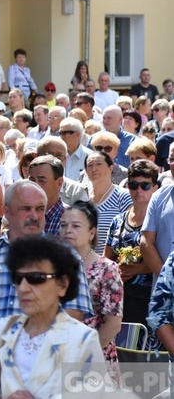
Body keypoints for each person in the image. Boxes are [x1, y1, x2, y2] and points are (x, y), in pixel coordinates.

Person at [0, 180, 92, 371]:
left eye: (40, 209)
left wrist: (30, 356)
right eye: (26, 208)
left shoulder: (66, 259)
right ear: (7, 212)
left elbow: (74, 312)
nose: (34, 216)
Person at [0, 235, 105, 397]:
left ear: (63, 284)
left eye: (35, 278)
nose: (23, 288)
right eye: (18, 278)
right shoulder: (7, 328)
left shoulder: (82, 340)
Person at [60, 202, 123, 380]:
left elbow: (113, 324)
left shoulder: (106, 269)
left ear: (92, 233)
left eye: (76, 226)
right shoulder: (54, 267)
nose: (68, 230)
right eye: (63, 225)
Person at [105, 160, 158, 327]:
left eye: (145, 185)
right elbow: (106, 258)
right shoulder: (118, 220)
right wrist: (116, 270)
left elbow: (167, 262)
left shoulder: (161, 220)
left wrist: (135, 269)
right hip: (119, 297)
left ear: (155, 187)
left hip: (149, 298)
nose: (139, 190)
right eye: (133, 185)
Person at [85, 151, 133, 254]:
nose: (94, 169)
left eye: (99, 164)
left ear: (111, 168)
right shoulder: (82, 196)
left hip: (112, 263)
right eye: (90, 165)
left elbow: (130, 233)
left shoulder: (123, 197)